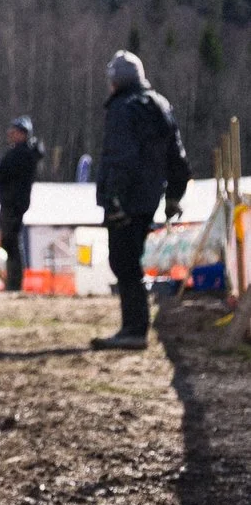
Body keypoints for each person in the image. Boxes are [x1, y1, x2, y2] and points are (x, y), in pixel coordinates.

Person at [91, 50, 189, 350]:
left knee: (123, 261)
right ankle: (134, 327)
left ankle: (134, 329)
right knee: (129, 261)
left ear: (118, 81)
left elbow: (120, 157)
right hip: (148, 198)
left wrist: (114, 199)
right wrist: (173, 195)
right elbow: (177, 157)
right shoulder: (160, 105)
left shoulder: (123, 108)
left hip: (126, 199)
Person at [0, 118, 42, 293]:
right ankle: (14, 281)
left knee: (11, 242)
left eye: (14, 132)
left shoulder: (21, 154)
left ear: (22, 134)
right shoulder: (24, 153)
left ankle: (15, 282)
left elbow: (1, 171)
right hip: (14, 202)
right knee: (10, 242)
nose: (10, 135)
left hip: (13, 203)